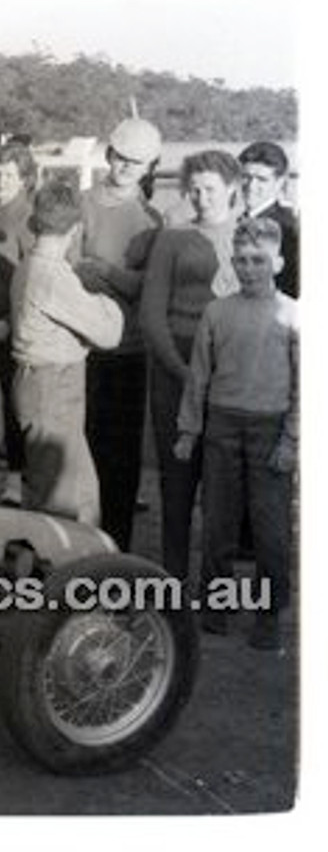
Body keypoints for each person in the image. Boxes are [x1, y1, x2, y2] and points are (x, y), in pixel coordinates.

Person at [174, 217, 296, 649]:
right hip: (222, 426)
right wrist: (189, 430)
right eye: (241, 260)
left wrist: (291, 442)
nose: (249, 268)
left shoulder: (295, 315)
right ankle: (216, 605)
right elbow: (199, 378)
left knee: (270, 528)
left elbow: (306, 388)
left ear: (277, 262)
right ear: (232, 262)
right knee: (218, 522)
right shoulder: (217, 311)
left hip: (269, 429)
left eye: (258, 260)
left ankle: (269, 613)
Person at [140, 150, 243, 580]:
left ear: (233, 188)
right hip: (175, 368)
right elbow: (151, 314)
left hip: (230, 371)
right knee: (176, 482)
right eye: (194, 189)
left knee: (222, 487)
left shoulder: (249, 236)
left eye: (211, 189)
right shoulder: (171, 238)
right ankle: (173, 580)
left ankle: (216, 589)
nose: (201, 198)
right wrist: (183, 373)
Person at [73, 118, 164, 550]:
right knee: (76, 453)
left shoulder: (152, 220)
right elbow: (67, 269)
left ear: (149, 167)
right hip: (77, 347)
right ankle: (76, 547)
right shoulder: (81, 202)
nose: (126, 167)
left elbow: (148, 288)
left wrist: (106, 272)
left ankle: (115, 554)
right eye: (121, 157)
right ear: (108, 155)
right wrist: (113, 278)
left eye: (137, 162)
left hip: (127, 353)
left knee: (121, 463)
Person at [11, 181, 123, 524]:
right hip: (53, 386)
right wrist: (105, 301)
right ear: (76, 229)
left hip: (40, 382)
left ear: (34, 223)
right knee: (59, 499)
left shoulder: (28, 265)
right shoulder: (55, 276)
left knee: (79, 491)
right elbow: (109, 334)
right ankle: (57, 574)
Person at [0, 141, 36, 505]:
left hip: (10, 324)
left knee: (14, 407)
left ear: (25, 179)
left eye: (9, 175)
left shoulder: (28, 218)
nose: (0, 180)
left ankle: (15, 481)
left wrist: (9, 323)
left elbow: (33, 281)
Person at [237, 141, 298, 298]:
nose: (251, 186)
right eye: (246, 177)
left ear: (279, 183)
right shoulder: (239, 220)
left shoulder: (287, 227)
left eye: (261, 179)